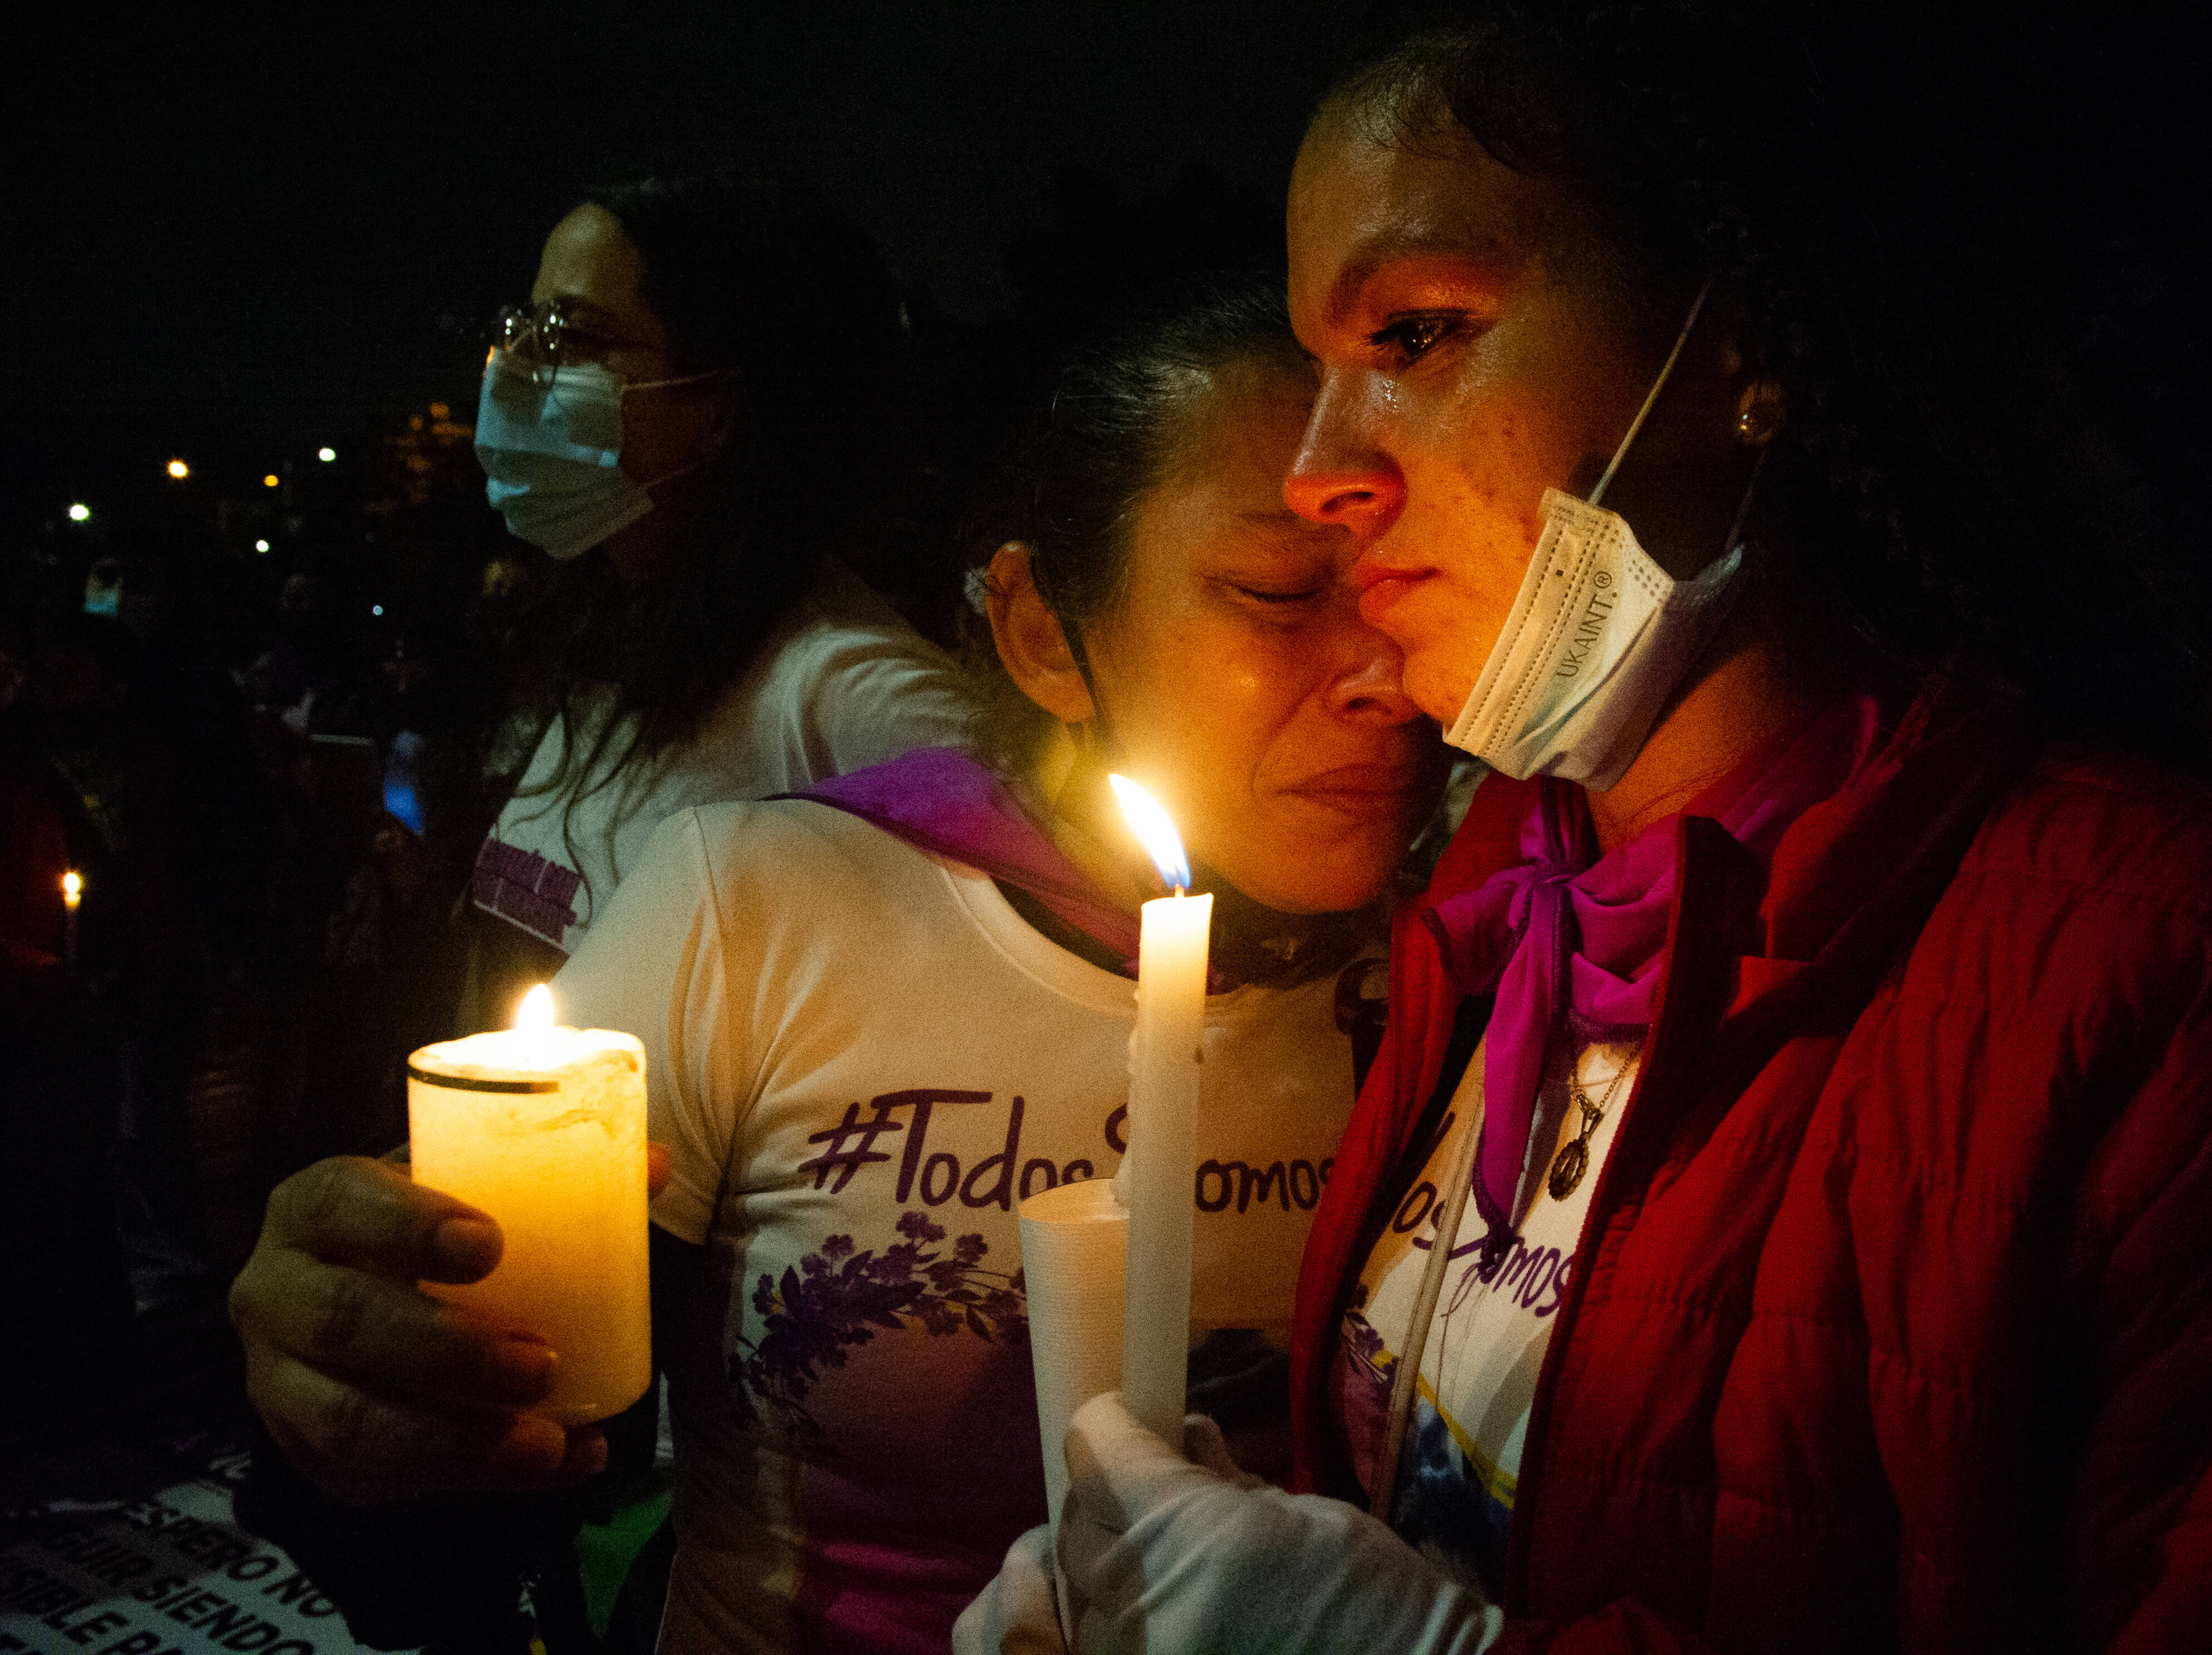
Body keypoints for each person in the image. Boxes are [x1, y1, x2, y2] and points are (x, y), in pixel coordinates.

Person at [967, 0, 2212, 1652]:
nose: (1319, 473)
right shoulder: (1495, 912)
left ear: (1736, 347)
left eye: (1410, 332)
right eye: (1318, 371)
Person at [228, 284, 1450, 1654]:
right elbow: (487, 1476)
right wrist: (356, 1407)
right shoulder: (759, 910)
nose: (1385, 678)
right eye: (1280, 592)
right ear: (1044, 628)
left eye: (1412, 582)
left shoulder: (1493, 960)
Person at [465, 175, 972, 1001]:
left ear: (720, 403)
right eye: (525, 322)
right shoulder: (612, 649)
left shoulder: (855, 701)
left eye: (576, 334)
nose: (518, 365)